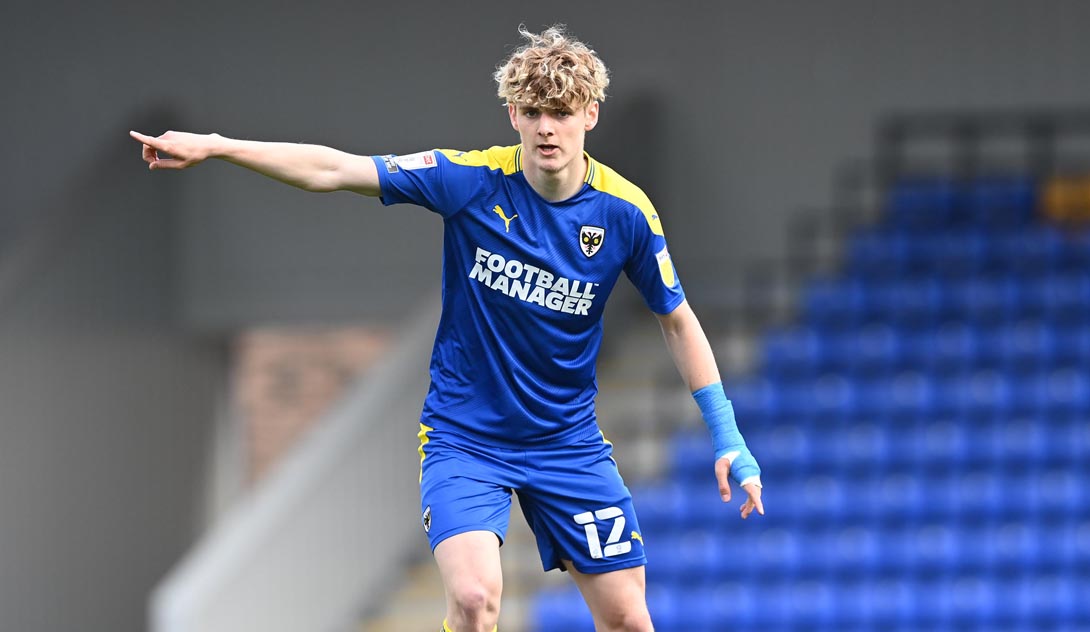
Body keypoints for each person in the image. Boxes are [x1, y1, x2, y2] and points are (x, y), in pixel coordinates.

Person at [130, 24, 763, 632]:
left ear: (590, 116)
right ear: (512, 115)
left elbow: (677, 321)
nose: (547, 127)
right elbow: (335, 169)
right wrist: (218, 146)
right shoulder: (469, 180)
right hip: (466, 439)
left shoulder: (626, 212)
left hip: (566, 443)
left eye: (562, 112)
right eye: (533, 112)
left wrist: (727, 434)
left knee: (628, 619)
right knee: (474, 599)